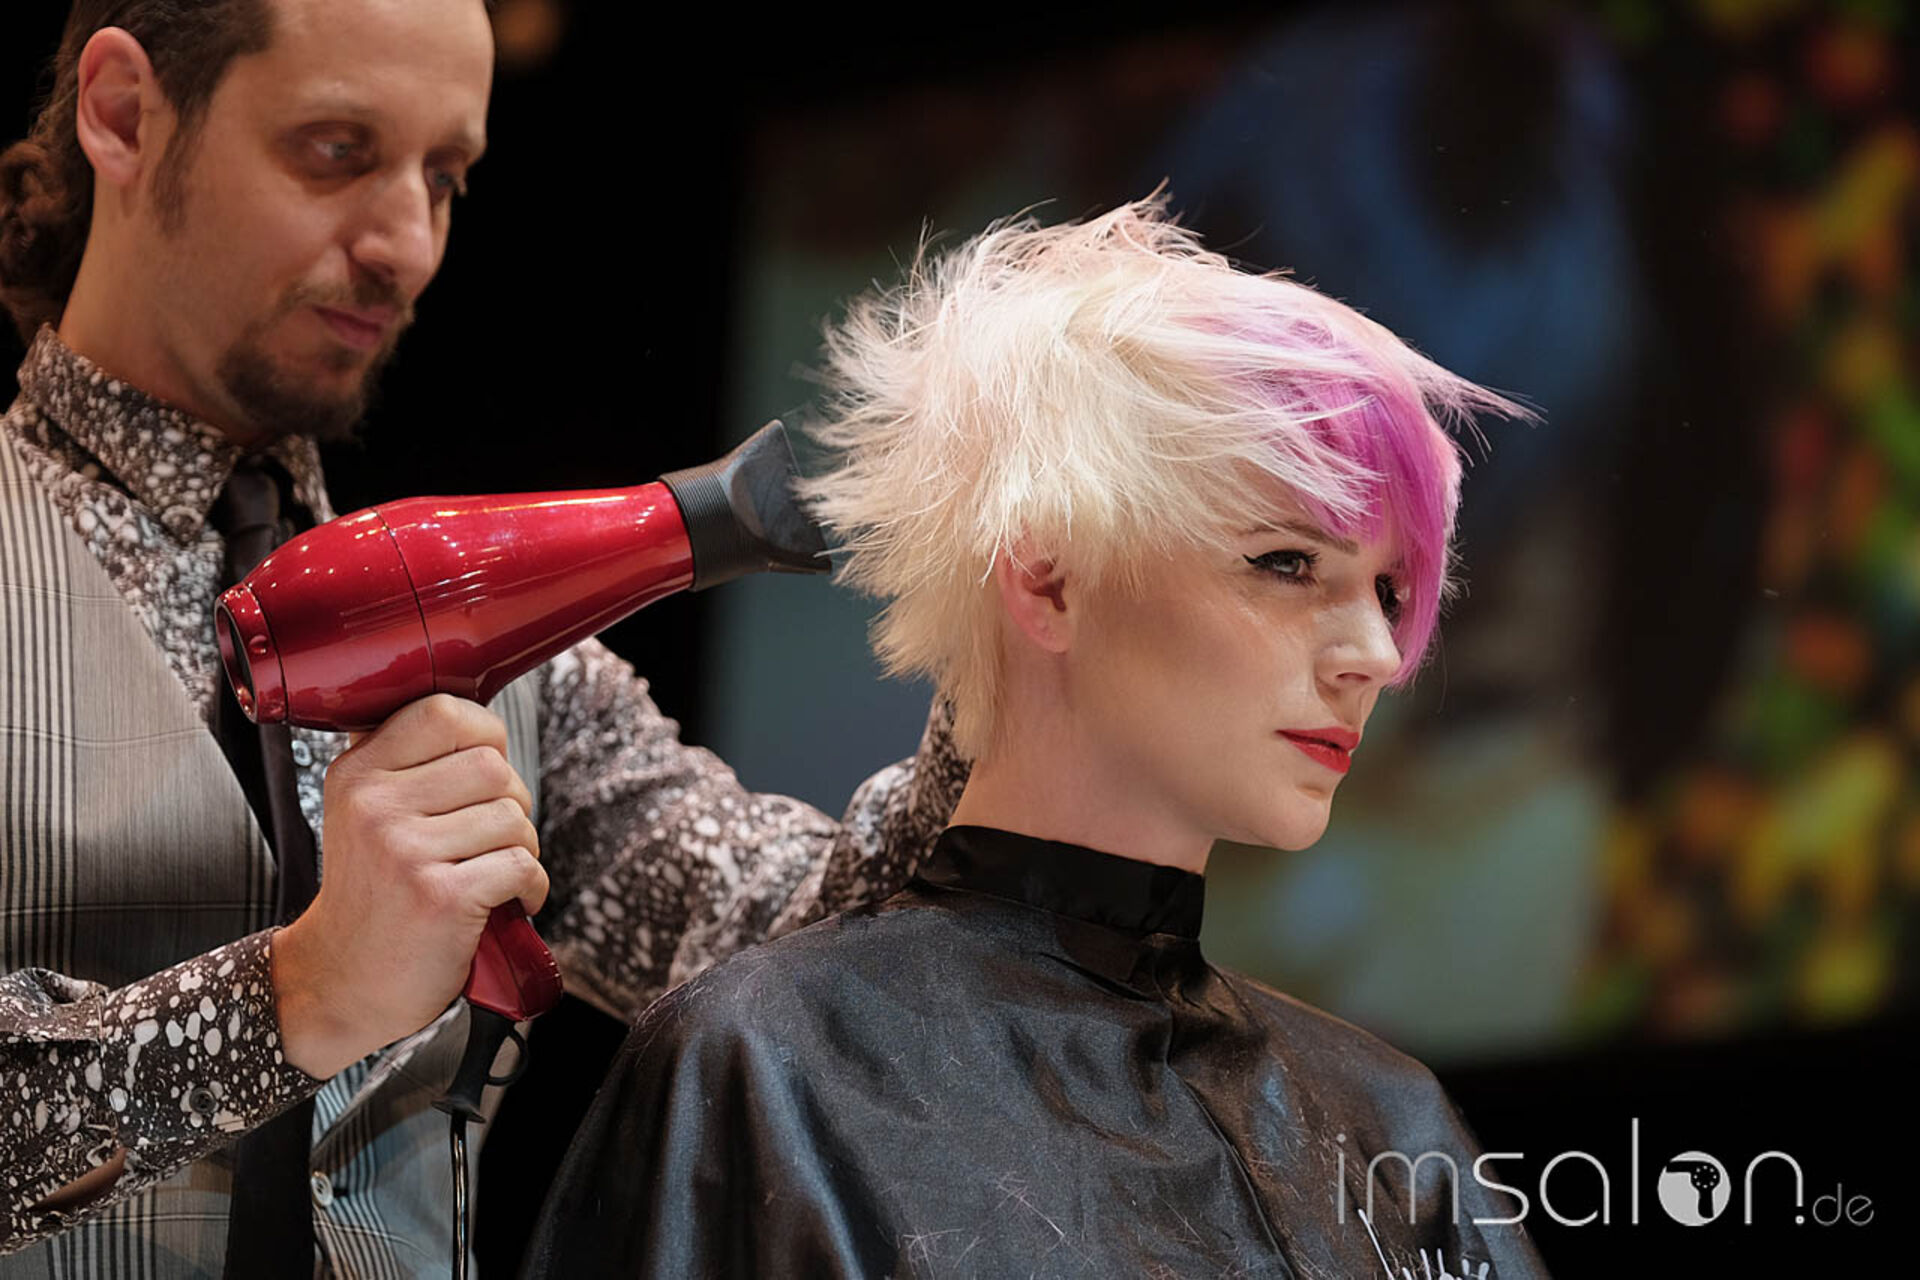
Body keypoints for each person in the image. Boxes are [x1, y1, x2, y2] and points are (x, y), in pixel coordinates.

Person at [0, 0, 960, 1273]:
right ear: (125, 113)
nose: (408, 243)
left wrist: (1012, 663)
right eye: (337, 150)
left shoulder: (511, 645)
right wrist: (301, 993)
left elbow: (816, 938)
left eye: (445, 177)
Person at [526, 197, 1550, 1278]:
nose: (1378, 654)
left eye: (1389, 588)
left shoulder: (1392, 1128)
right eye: (1287, 562)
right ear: (1049, 581)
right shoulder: (762, 1069)